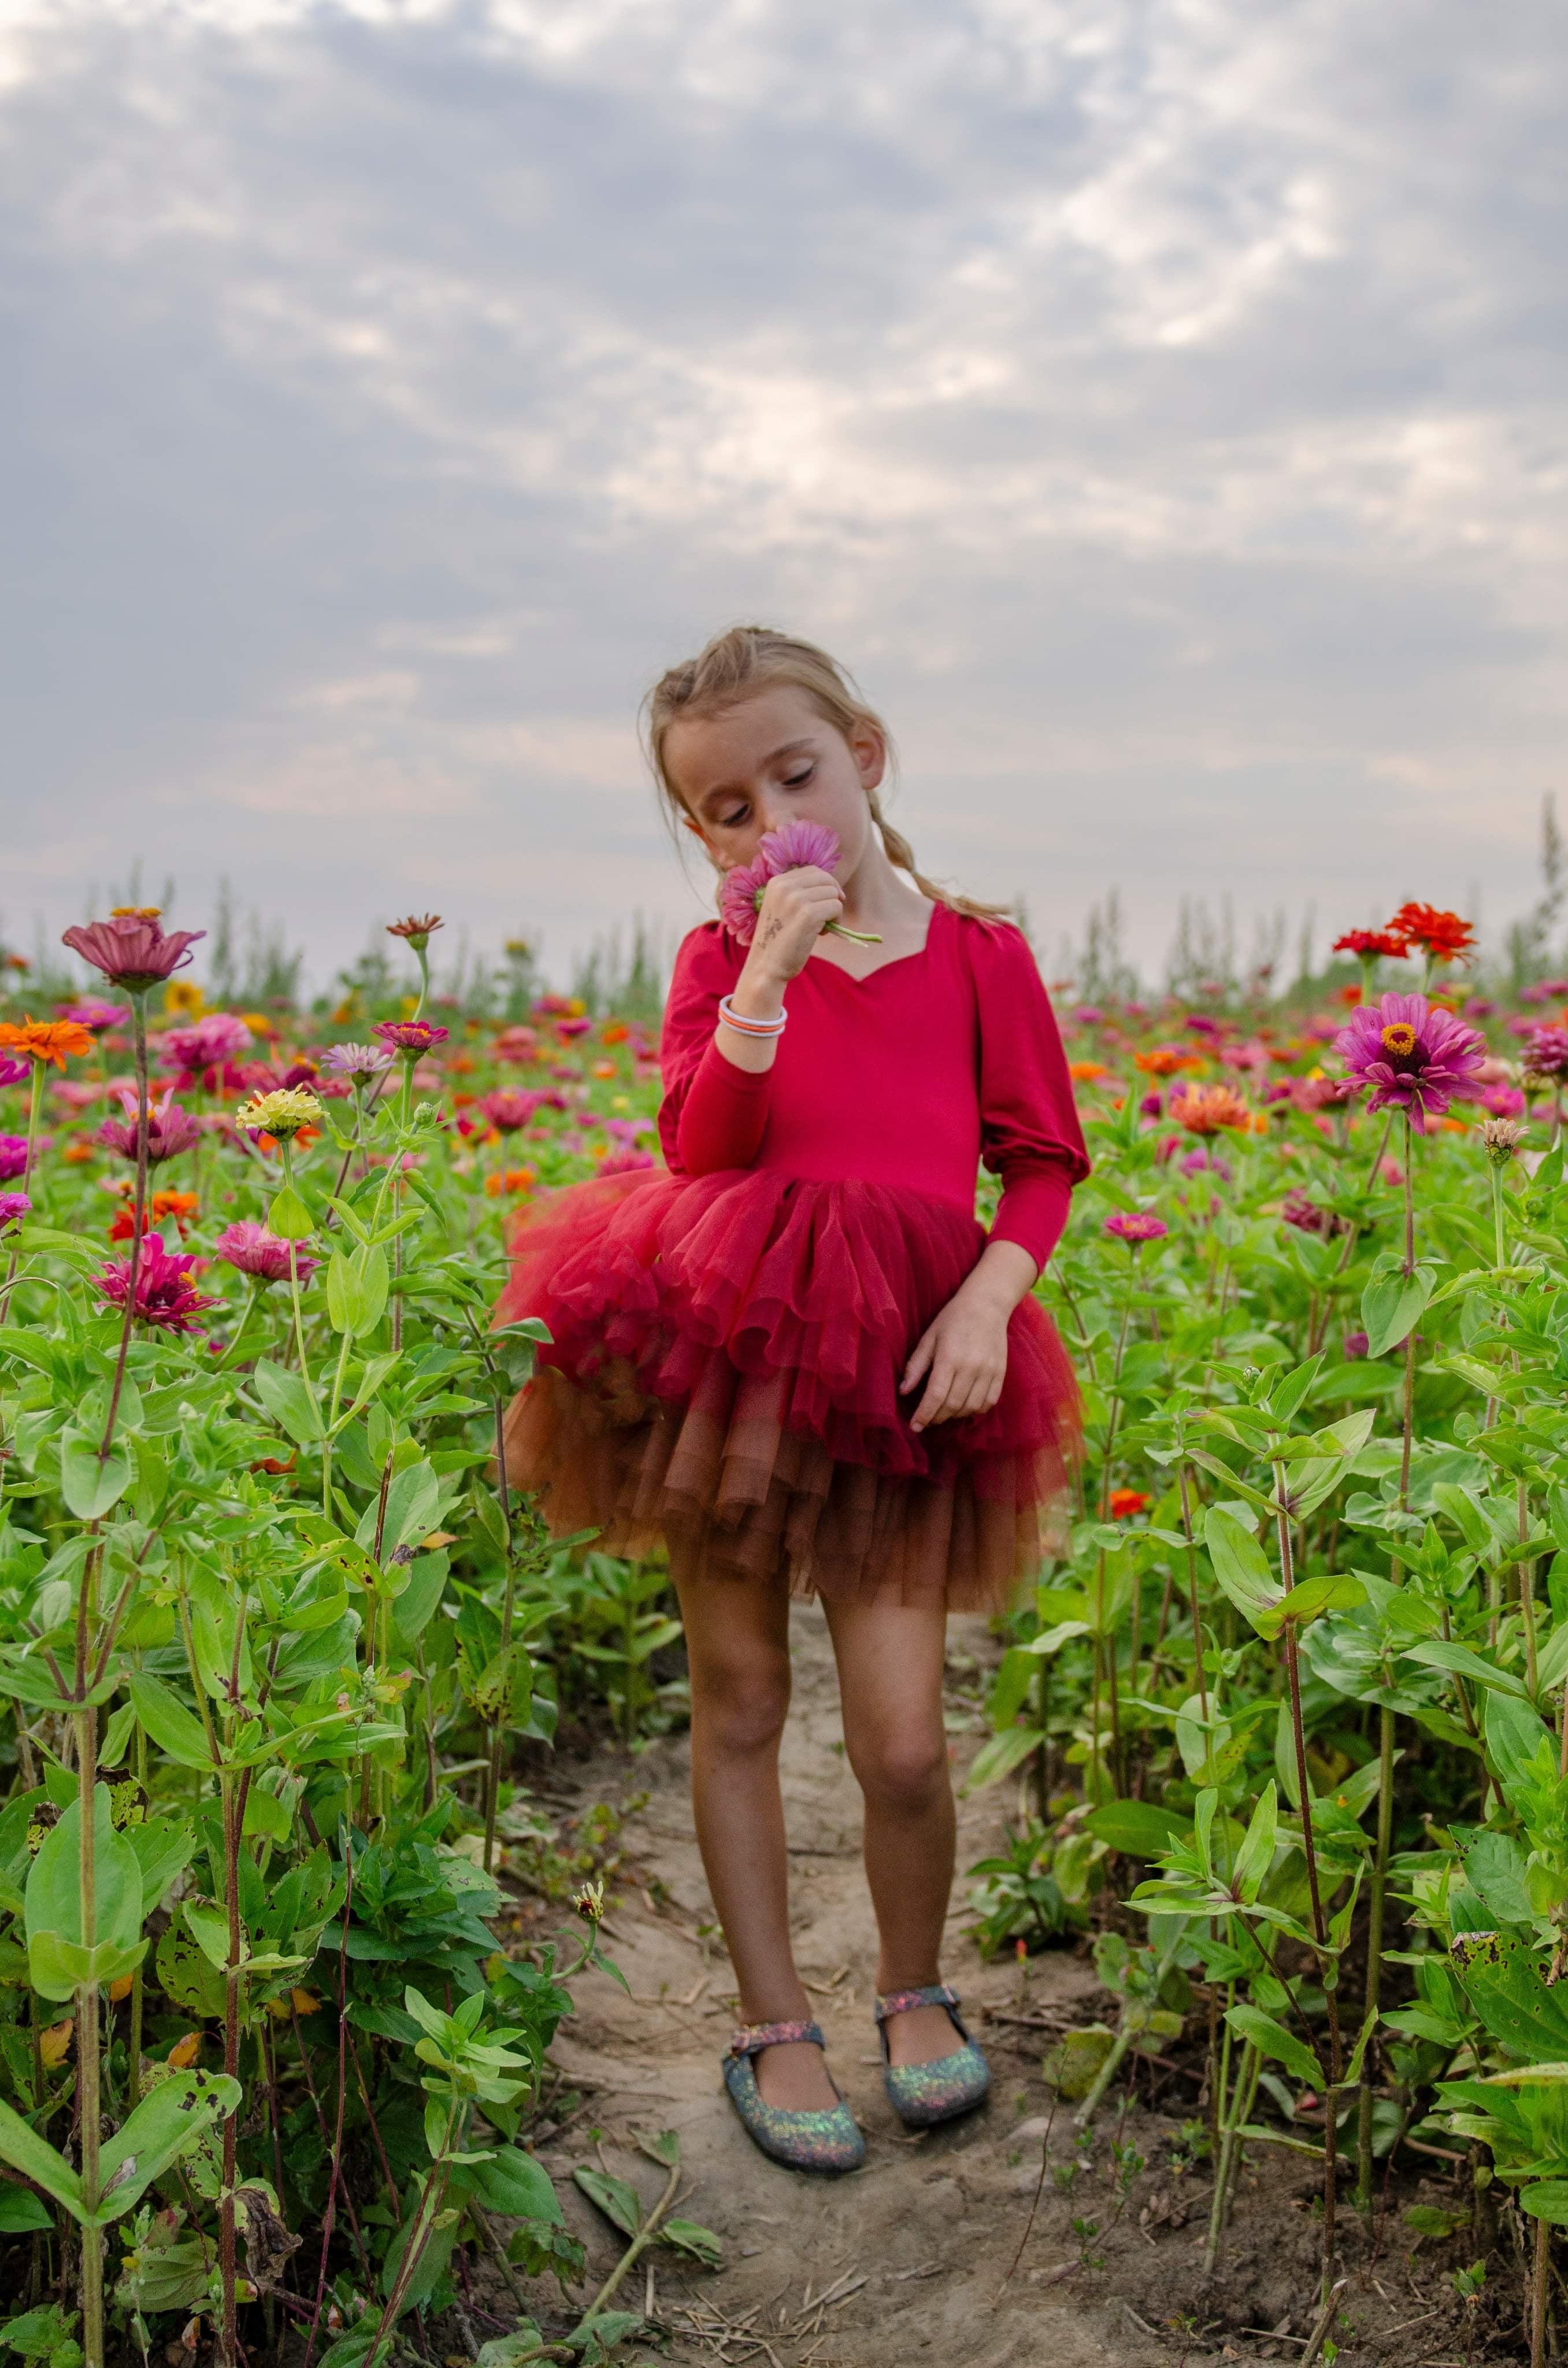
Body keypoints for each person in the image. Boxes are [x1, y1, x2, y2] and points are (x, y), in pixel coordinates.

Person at [496, 626, 1088, 2171]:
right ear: (697, 835)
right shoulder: (716, 960)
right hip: (730, 1342)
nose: (766, 820)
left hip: (905, 1354)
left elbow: (1039, 1159)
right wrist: (767, 961)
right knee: (743, 1697)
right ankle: (772, 2020)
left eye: (792, 776)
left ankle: (910, 1986)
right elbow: (701, 1145)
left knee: (901, 1743)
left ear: (867, 758)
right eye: (724, 808)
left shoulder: (979, 952)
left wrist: (986, 1298)